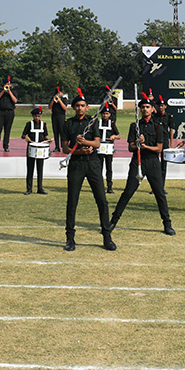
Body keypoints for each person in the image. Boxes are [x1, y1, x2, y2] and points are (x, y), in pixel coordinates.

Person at [110, 93, 175, 235]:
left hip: (153, 162)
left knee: (160, 194)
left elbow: (159, 148)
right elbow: (130, 147)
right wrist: (137, 144)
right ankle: (113, 221)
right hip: (137, 161)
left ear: (152, 109)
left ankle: (167, 224)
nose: (145, 109)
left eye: (147, 107)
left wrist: (145, 146)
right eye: (143, 107)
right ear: (139, 109)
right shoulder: (135, 126)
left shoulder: (158, 126)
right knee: (127, 192)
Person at [62, 89, 115, 251]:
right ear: (73, 107)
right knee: (72, 201)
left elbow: (97, 143)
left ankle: (107, 237)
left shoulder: (93, 122)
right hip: (76, 165)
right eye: (77, 105)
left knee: (102, 200)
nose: (80, 108)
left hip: (93, 164)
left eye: (82, 105)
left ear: (87, 107)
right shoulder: (68, 123)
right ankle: (70, 238)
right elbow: (65, 149)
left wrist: (85, 142)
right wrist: (79, 150)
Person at [21, 106, 51, 195]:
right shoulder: (29, 124)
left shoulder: (43, 124)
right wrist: (26, 137)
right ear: (32, 116)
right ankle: (29, 189)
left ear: (41, 116)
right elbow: (23, 135)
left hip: (40, 149)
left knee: (40, 169)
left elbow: (45, 136)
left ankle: (40, 188)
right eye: (35, 116)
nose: (37, 118)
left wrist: (48, 140)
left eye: (38, 116)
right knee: (30, 169)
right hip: (31, 148)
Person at [97, 103, 120, 193]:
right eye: (103, 113)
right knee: (99, 167)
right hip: (100, 146)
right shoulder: (98, 123)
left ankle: (109, 186)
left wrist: (114, 136)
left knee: (109, 168)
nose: (105, 115)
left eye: (107, 113)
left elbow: (118, 135)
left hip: (109, 147)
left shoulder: (112, 124)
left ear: (109, 114)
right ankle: (99, 186)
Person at [154, 95, 173, 192]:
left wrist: (171, 143)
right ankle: (155, 187)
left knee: (163, 166)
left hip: (165, 141)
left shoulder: (169, 117)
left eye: (162, 105)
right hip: (156, 142)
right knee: (155, 165)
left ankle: (162, 187)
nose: (161, 107)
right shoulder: (154, 116)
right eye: (159, 106)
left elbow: (171, 130)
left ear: (165, 106)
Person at [0, 78, 17, 152]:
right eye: (6, 84)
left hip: (9, 112)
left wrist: (9, 91)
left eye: (9, 84)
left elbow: (15, 100)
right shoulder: (0, 91)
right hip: (0, 112)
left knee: (7, 130)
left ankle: (6, 146)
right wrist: (3, 91)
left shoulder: (14, 91)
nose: (8, 85)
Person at [49, 86, 68, 152]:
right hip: (54, 116)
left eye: (59, 93)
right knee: (55, 132)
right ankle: (57, 147)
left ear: (62, 93)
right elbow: (49, 107)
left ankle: (63, 146)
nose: (58, 94)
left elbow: (64, 108)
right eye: (57, 93)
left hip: (61, 116)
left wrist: (59, 100)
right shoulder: (53, 98)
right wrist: (53, 100)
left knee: (62, 131)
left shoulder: (64, 99)